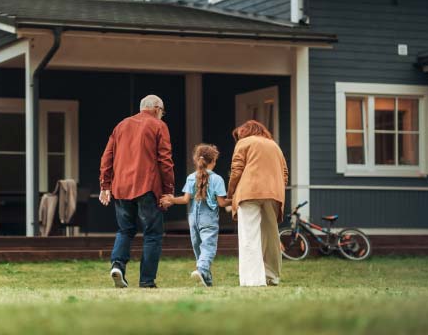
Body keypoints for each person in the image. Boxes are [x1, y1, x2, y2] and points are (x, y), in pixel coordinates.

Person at [99, 95, 175, 289]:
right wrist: (168, 191)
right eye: (162, 112)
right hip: (147, 186)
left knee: (125, 230)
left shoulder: (121, 125)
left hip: (121, 187)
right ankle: (147, 281)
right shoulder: (158, 126)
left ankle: (117, 265)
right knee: (152, 234)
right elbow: (165, 160)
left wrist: (105, 185)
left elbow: (107, 157)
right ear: (157, 108)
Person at [227, 120, 288, 287]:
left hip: (249, 193)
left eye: (239, 134)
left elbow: (236, 169)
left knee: (249, 236)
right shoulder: (274, 145)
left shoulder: (244, 143)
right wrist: (278, 188)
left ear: (246, 132)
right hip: (274, 194)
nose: (238, 138)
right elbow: (284, 173)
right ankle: (272, 277)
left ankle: (253, 280)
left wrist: (231, 192)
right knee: (271, 237)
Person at [160, 144, 231, 287]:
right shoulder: (217, 179)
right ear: (213, 161)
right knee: (208, 247)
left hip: (193, 219)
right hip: (209, 218)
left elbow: (185, 200)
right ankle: (202, 269)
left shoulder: (191, 177)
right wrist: (236, 200)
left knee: (198, 248)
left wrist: (172, 199)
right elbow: (222, 203)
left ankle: (206, 277)